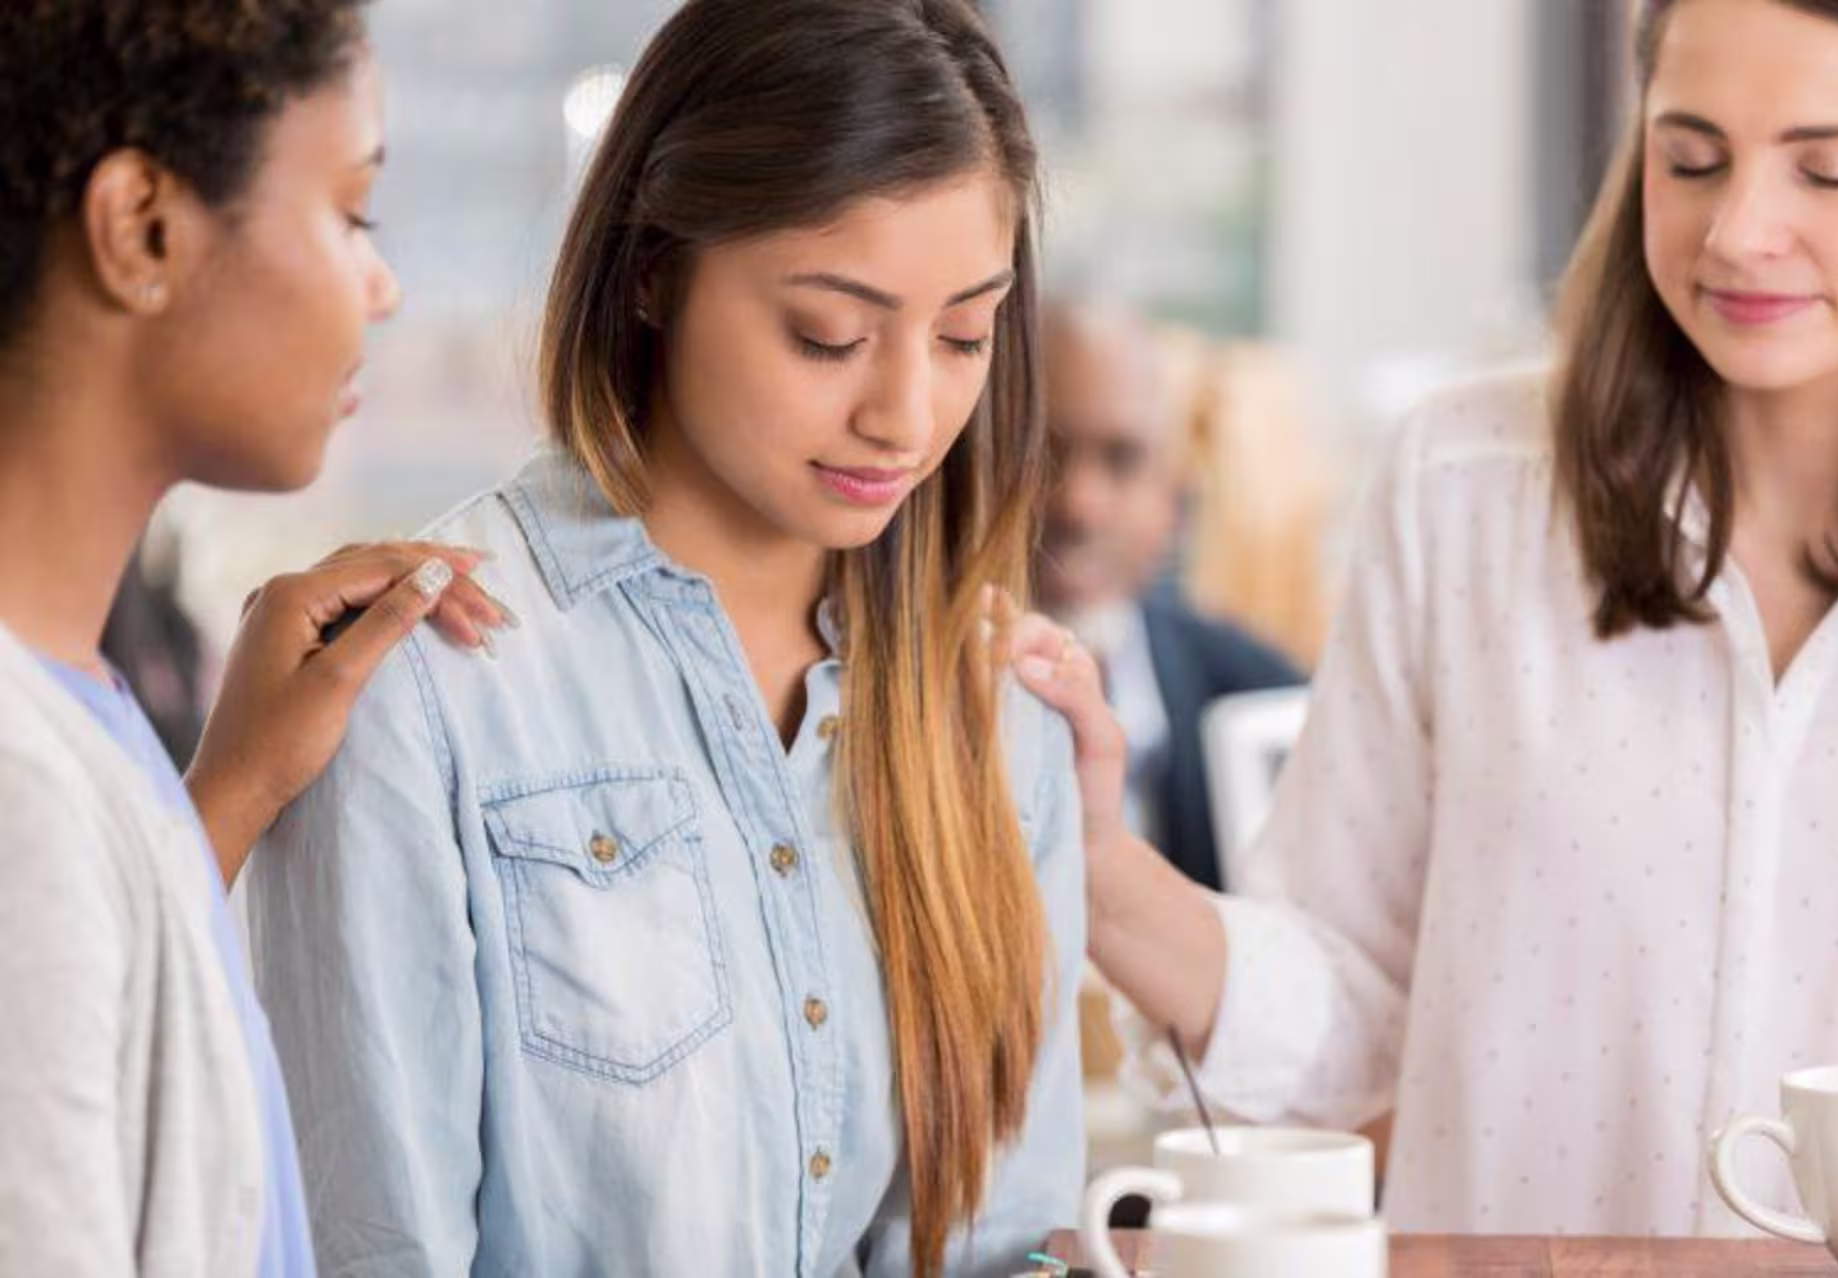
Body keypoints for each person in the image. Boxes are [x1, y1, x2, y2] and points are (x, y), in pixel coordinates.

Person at [1016, 0, 1838, 1238]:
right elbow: (1341, 1022)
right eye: (1690, 158)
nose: (1738, 231)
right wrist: (1095, 856)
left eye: (1831, 171)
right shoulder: (1466, 485)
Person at [245, 2, 1085, 1275]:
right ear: (652, 271)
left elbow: (1006, 1238)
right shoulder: (424, 685)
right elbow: (371, 1246)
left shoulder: (994, 707)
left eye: (965, 335)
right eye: (829, 335)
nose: (907, 416)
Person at [0, 2, 508, 1274]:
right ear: (144, 229)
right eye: (352, 215)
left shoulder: (72, 716)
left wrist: (227, 794)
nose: (384, 287)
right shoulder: (20, 794)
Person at [1037, 301, 1304, 891]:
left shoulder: (1263, 698)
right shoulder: (878, 695)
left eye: (1123, 460)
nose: (1079, 504)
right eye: (1042, 453)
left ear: (1176, 496)